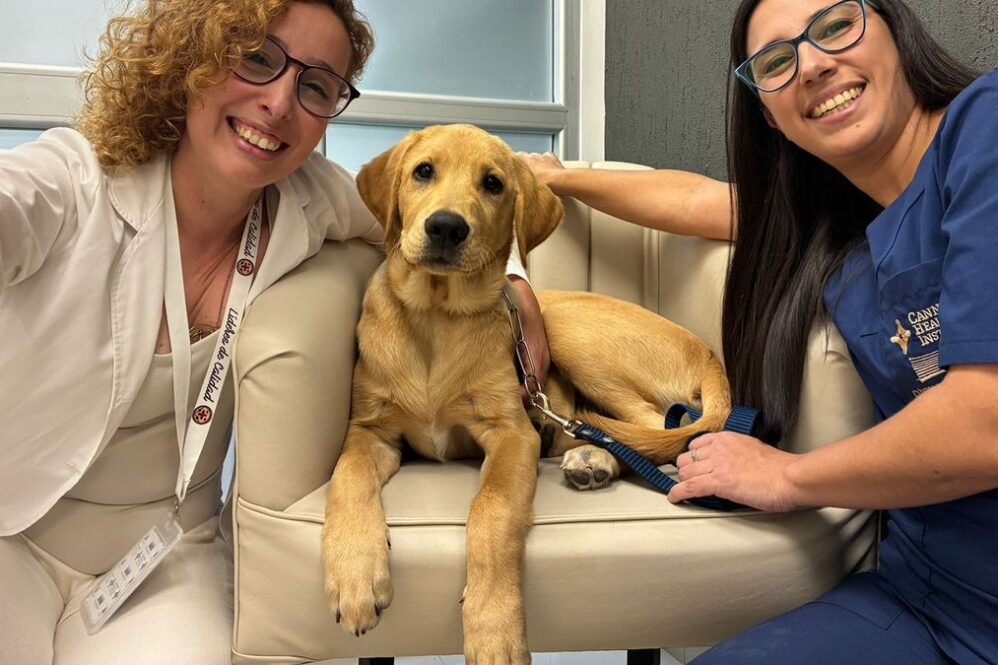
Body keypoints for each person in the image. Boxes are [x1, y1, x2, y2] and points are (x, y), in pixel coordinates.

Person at [0, 0, 546, 662]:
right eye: (258, 58)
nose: (280, 102)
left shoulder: (309, 200)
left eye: (315, 86)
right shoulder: (76, 178)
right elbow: (15, 201)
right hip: (13, 530)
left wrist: (518, 283)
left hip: (170, 551)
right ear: (193, 53)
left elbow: (432, 222)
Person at [526, 0, 998, 662]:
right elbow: (692, 202)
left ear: (896, 30)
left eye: (836, 26)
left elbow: (987, 421)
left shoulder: (986, 127)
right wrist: (555, 175)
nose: (812, 64)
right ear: (768, 114)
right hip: (923, 600)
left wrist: (789, 475)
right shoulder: (835, 228)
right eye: (776, 61)